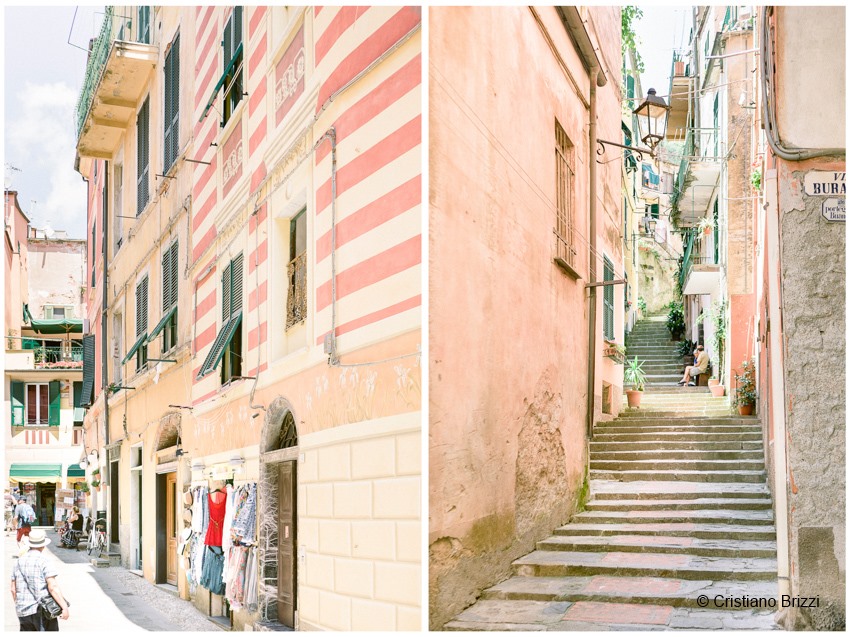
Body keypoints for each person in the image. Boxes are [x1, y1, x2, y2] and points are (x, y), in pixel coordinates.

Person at [10, 528, 70, 630]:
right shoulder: (44, 561)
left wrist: (20, 604)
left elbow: (13, 589)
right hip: (41, 610)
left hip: (22, 611)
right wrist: (64, 607)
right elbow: (53, 587)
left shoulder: (18, 562)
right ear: (43, 545)